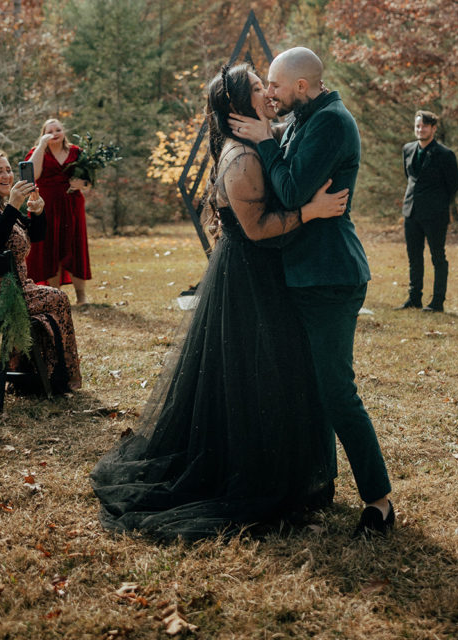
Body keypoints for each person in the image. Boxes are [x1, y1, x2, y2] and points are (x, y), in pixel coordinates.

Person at [91, 63, 347, 541]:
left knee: (274, 372)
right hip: (248, 280)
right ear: (237, 106)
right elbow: (258, 228)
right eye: (257, 88)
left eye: (269, 86)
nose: (268, 94)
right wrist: (309, 211)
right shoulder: (242, 160)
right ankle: (249, 475)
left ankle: (285, 471)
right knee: (254, 376)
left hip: (266, 275)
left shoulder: (260, 141)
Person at [230, 47, 394, 537]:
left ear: (302, 86)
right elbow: (292, 173)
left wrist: (263, 141)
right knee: (315, 387)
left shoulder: (332, 123)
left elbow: (292, 190)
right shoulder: (307, 117)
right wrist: (270, 135)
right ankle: (318, 483)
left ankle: (380, 503)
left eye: (276, 86)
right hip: (306, 273)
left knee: (338, 392)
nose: (271, 94)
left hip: (330, 276)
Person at [0, 150, 82, 392]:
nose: (7, 175)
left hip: (3, 291)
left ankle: (27, 376)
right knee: (58, 299)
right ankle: (57, 379)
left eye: (9, 170)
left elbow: (36, 235)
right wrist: (13, 205)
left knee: (48, 300)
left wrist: (38, 212)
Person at [25, 118, 91, 305]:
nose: (54, 134)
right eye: (49, 131)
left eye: (58, 130)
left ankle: (82, 297)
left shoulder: (77, 152)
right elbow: (33, 175)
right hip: (45, 205)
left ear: (64, 131)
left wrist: (82, 184)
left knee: (75, 246)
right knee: (49, 248)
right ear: (43, 133)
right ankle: (55, 297)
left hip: (72, 204)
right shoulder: (37, 152)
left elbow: (88, 181)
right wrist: (41, 145)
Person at [400, 109, 458, 312]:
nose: (420, 129)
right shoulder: (407, 149)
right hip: (411, 212)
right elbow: (409, 178)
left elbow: (453, 185)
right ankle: (414, 298)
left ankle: (437, 302)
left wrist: (437, 204)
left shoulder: (445, 154)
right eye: (418, 126)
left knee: (438, 257)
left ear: (433, 129)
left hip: (435, 215)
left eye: (424, 126)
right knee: (414, 257)